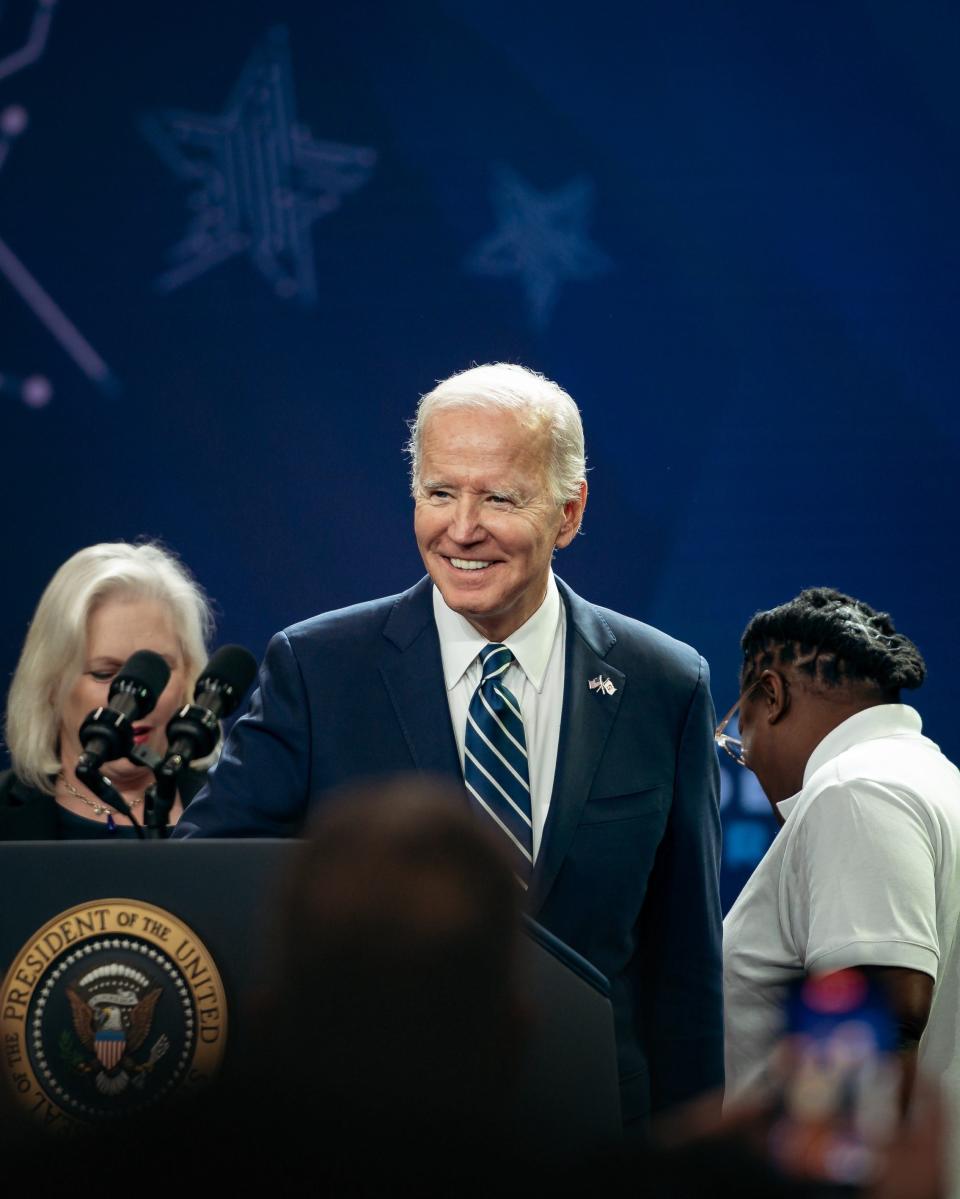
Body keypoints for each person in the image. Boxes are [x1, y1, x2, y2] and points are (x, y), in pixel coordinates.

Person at [177, 362, 723, 1128]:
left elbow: (685, 970)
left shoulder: (663, 683)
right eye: (440, 492)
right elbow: (206, 884)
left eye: (499, 497)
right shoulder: (319, 668)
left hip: (593, 1139)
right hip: (370, 1137)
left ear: (569, 512)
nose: (462, 528)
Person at [720, 588, 960, 1194]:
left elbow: (879, 1022)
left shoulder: (854, 790)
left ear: (770, 696)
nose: (746, 760)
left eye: (739, 733)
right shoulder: (931, 777)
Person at [1, 542, 215, 838]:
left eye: (156, 672)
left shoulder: (235, 814)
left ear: (190, 676)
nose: (136, 700)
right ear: (50, 685)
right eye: (105, 674)